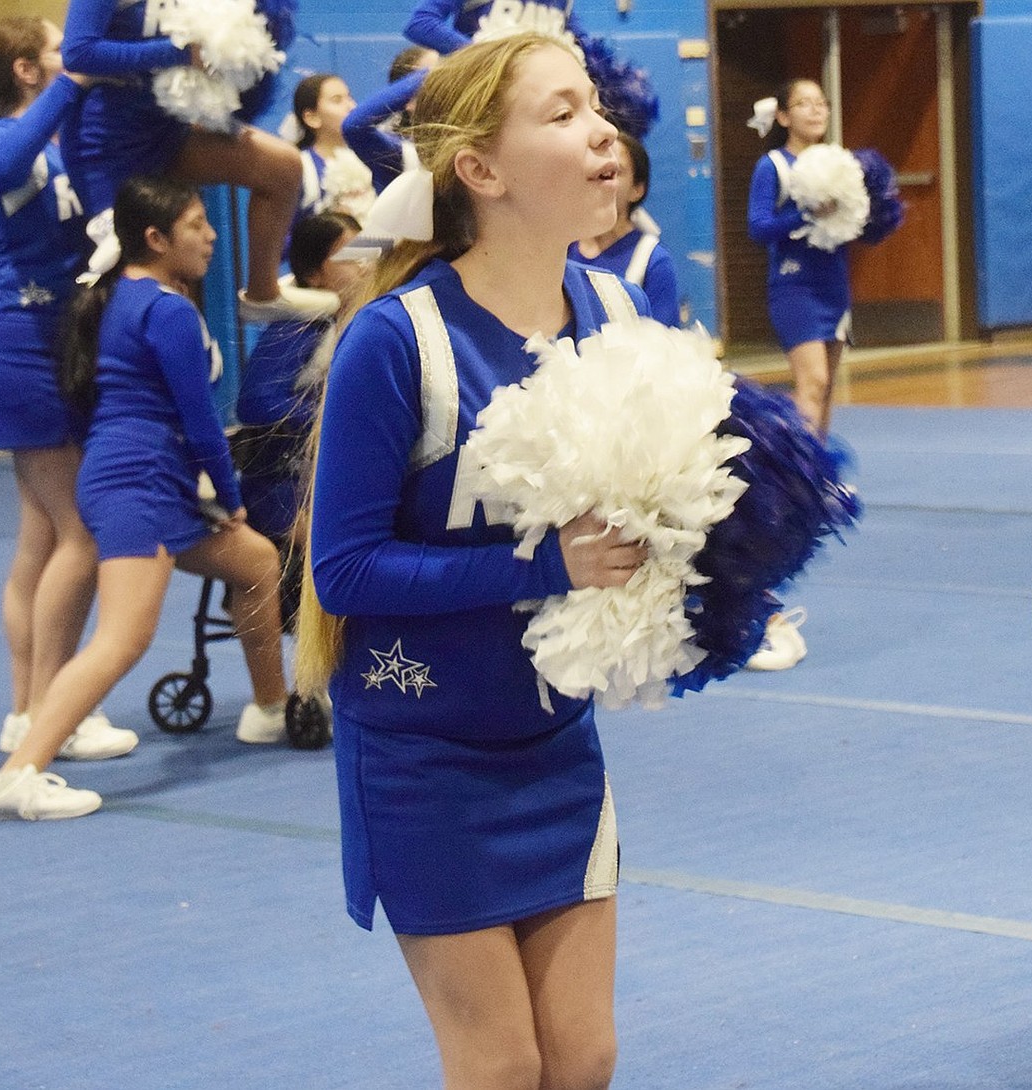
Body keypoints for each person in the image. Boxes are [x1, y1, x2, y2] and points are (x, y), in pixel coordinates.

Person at [298, 33, 649, 1089]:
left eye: (596, 106)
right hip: (423, 753)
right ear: (479, 172)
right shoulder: (397, 339)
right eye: (560, 113)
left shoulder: (621, 315)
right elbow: (342, 575)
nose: (600, 132)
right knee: (499, 1065)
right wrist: (545, 569)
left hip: (554, 741)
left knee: (582, 1058)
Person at [0, 176, 293, 822]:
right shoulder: (167, 309)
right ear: (155, 237)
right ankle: (16, 774)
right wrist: (229, 497)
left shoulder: (124, 297)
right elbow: (201, 421)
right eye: (198, 224)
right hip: (141, 485)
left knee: (255, 561)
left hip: (146, 482)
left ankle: (270, 708)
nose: (210, 236)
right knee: (123, 639)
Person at [0, 15, 138, 762]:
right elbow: (11, 161)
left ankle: (29, 709)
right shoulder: (1, 138)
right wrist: (78, 80)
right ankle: (49, 708)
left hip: (51, 345)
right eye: (60, 50)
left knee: (41, 537)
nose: (75, 56)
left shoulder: (59, 139)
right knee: (81, 533)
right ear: (29, 70)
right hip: (15, 348)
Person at [57, 0, 336, 324]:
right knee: (127, 268)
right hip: (106, 145)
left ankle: (263, 294)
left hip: (168, 130)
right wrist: (181, 53)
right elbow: (77, 52)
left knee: (282, 166)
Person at [745, 78, 843, 671]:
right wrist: (805, 212)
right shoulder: (773, 166)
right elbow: (758, 226)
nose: (815, 111)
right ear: (784, 115)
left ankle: (818, 480)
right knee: (812, 385)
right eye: (803, 103)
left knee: (828, 392)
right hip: (794, 285)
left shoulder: (839, 161)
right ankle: (794, 479)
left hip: (835, 284)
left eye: (821, 103)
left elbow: (856, 222)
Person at [236, 210, 367, 623]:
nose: (365, 264)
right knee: (348, 553)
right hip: (281, 484)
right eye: (350, 256)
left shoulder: (362, 320)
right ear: (314, 273)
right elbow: (256, 402)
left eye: (369, 251)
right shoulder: (298, 328)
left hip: (328, 477)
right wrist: (331, 418)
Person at [570, 129, 680, 327]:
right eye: (594, 169)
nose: (601, 178)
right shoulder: (562, 248)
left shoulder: (653, 261)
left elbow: (663, 350)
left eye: (613, 172)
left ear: (637, 190)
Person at [341, 46, 439, 194]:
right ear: (409, 101)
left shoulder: (467, 140)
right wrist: (432, 72)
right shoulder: (398, 153)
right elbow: (354, 126)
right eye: (435, 82)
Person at [289, 73, 375, 225]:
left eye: (349, 97)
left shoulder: (371, 156)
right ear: (312, 118)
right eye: (337, 100)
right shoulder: (301, 168)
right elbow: (284, 239)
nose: (352, 106)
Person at [404, 0, 585, 55]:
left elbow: (585, 45)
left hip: (539, 92)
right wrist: (482, 56)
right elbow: (420, 23)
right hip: (481, 90)